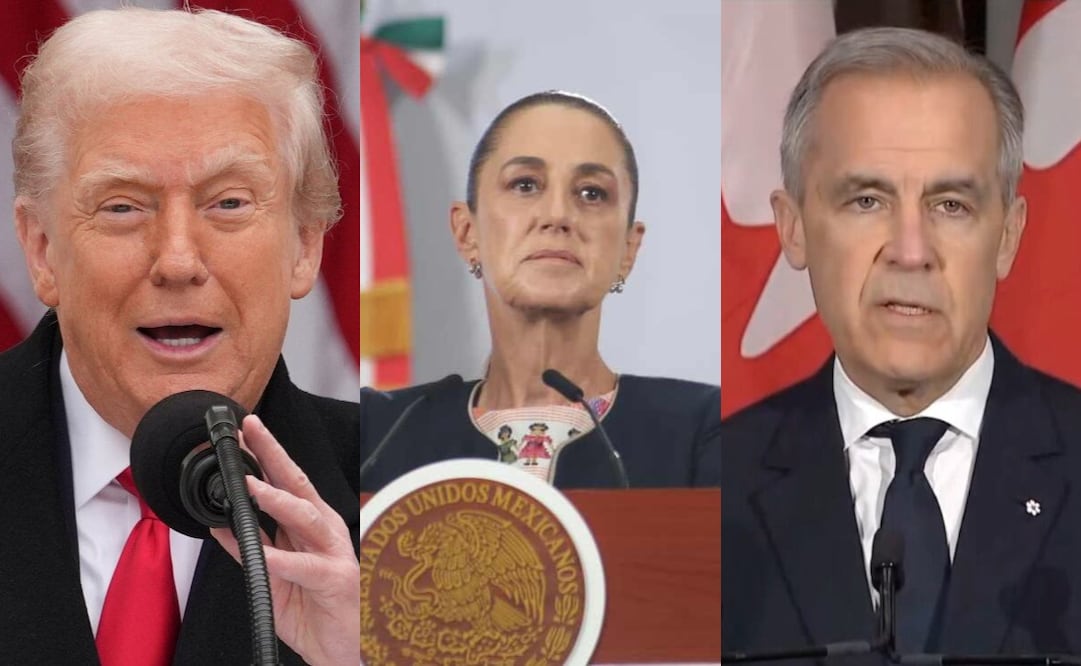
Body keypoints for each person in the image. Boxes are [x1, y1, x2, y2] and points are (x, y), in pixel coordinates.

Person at [1, 8, 358, 665]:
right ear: (43, 250)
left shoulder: (406, 502)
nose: (177, 261)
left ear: (305, 245)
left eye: (228, 202)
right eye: (122, 207)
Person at [722, 26, 1081, 659]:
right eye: (866, 200)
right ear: (794, 228)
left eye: (950, 205)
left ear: (1008, 235)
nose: (911, 251)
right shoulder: (711, 489)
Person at [359, 91, 720, 491]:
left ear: (627, 250)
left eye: (592, 193)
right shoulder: (380, 430)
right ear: (467, 232)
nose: (558, 216)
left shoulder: (703, 430)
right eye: (526, 184)